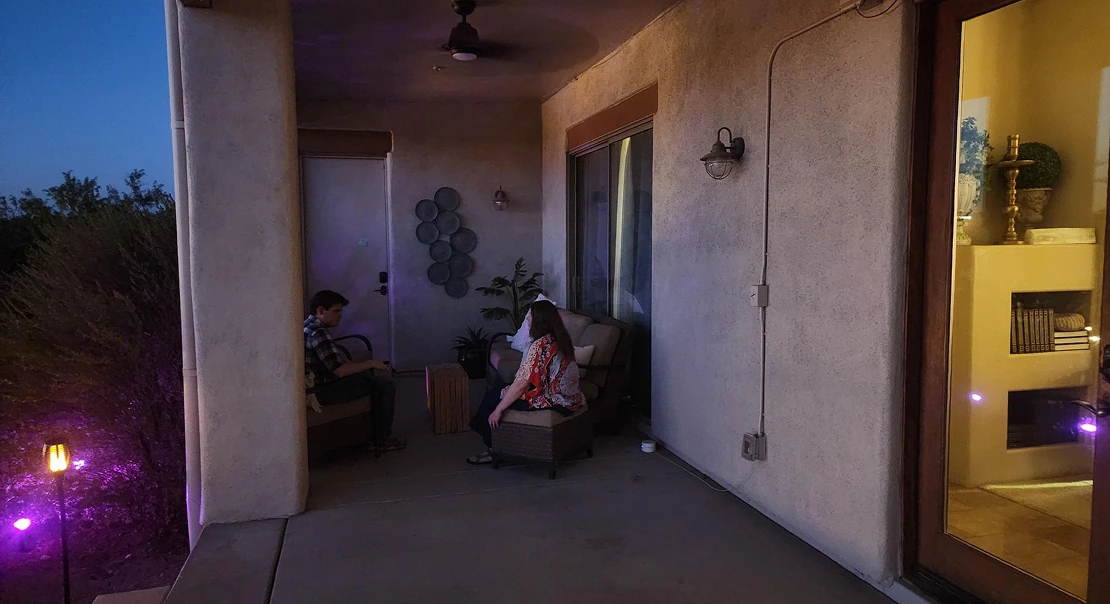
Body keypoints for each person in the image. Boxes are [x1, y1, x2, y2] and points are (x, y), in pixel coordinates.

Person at [467, 300, 585, 465]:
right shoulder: (561, 339)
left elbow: (523, 384)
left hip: (553, 401)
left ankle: (494, 449)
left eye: (530, 316)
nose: (527, 320)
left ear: (538, 320)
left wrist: (498, 410)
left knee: (492, 399)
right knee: (501, 391)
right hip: (571, 398)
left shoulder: (540, 345)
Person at [304, 290, 405, 451]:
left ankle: (374, 433)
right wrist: (370, 363)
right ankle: (383, 439)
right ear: (321, 310)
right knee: (384, 385)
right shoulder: (319, 333)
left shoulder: (308, 326)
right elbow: (340, 371)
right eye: (336, 311)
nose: (340, 316)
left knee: (368, 377)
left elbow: (332, 362)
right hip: (319, 392)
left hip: (317, 386)